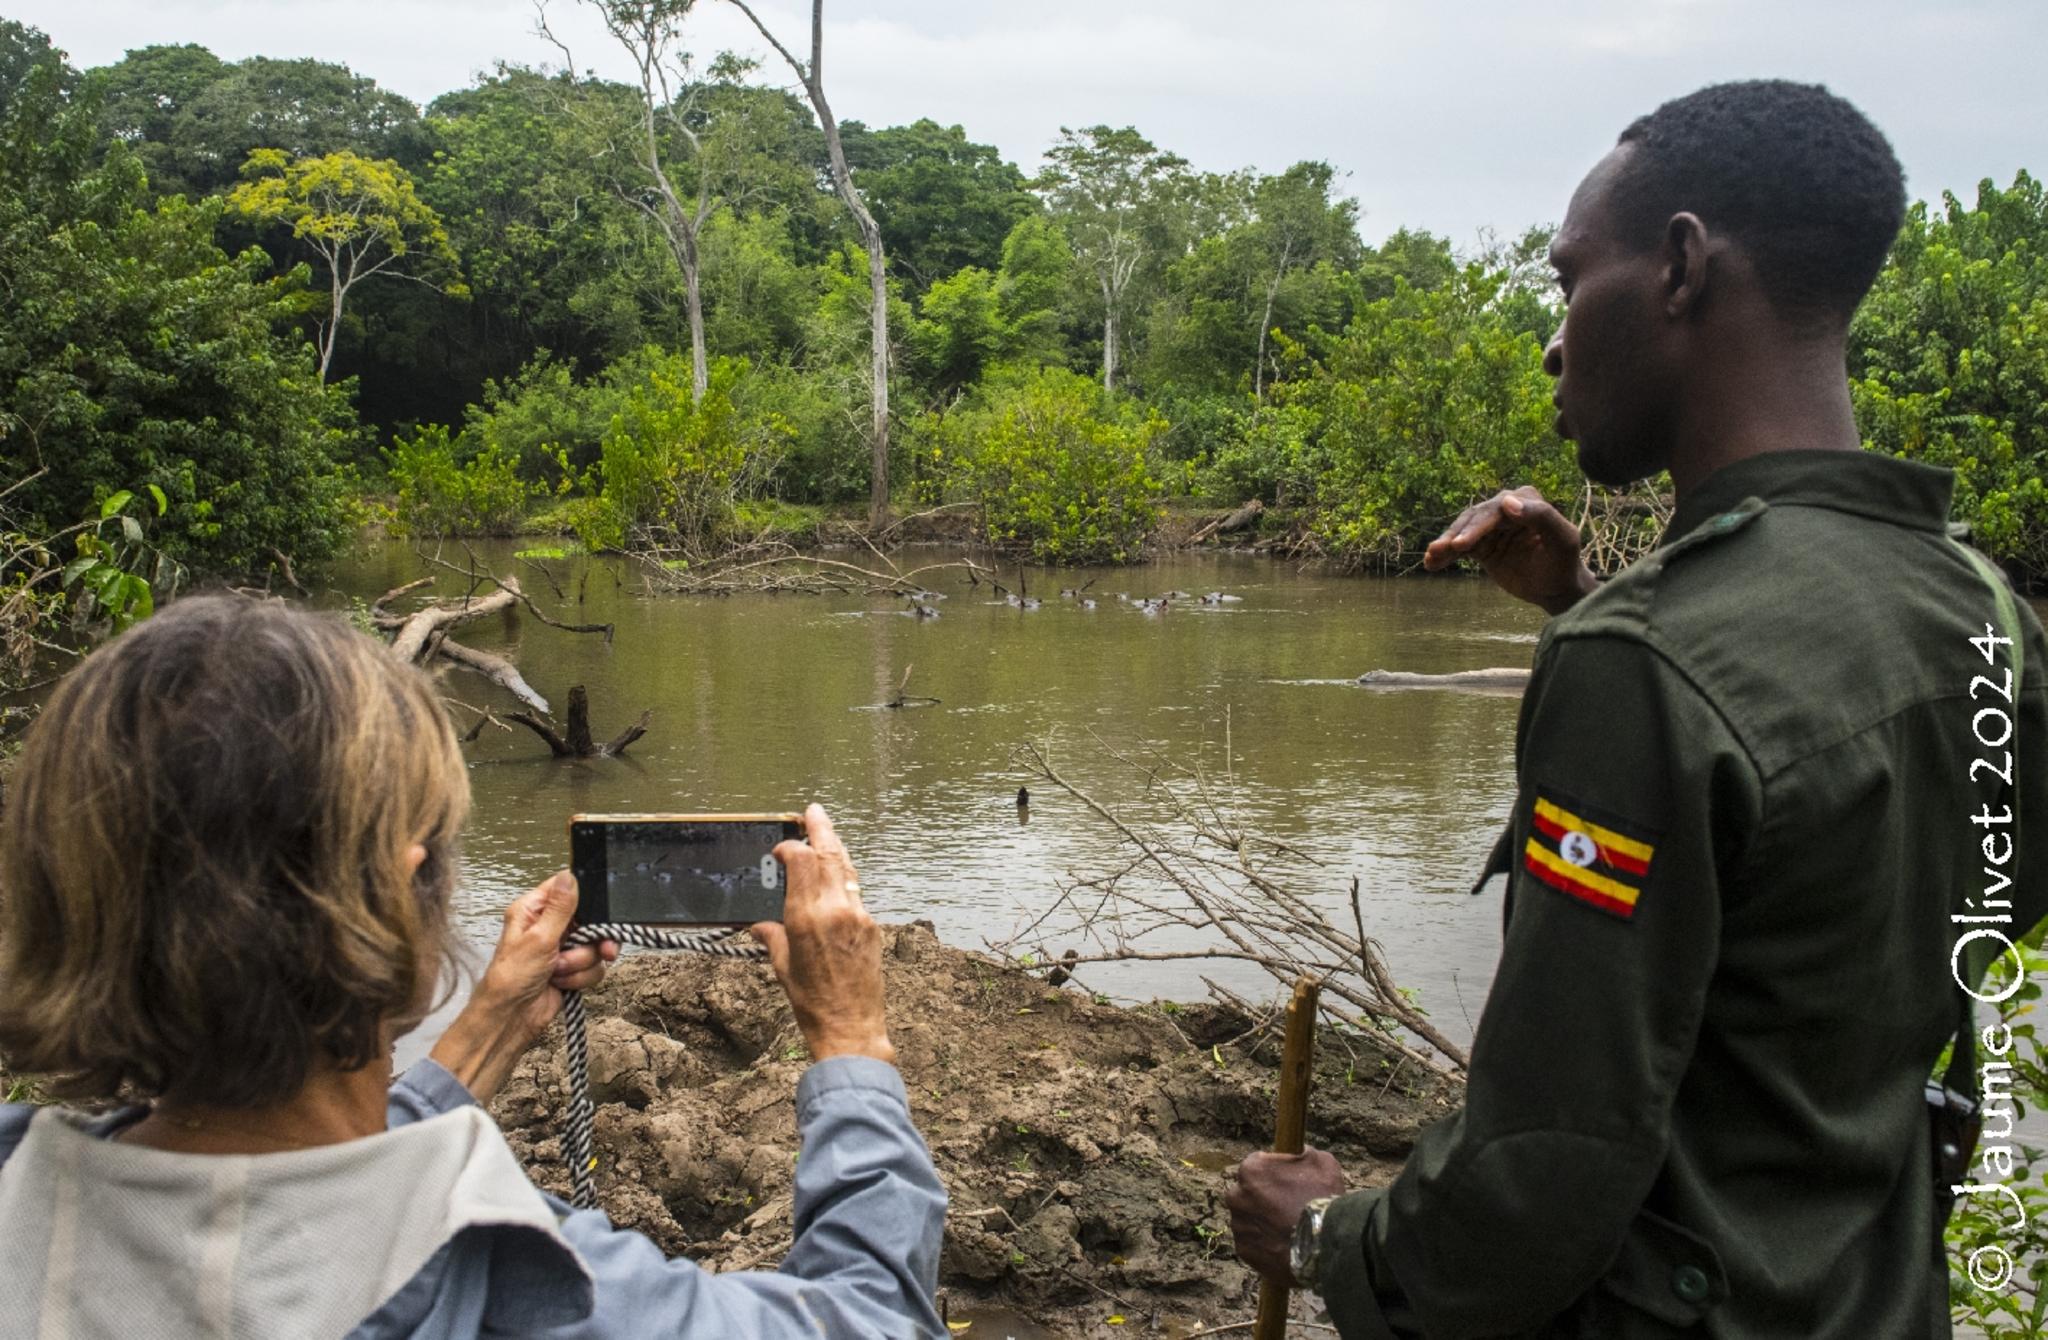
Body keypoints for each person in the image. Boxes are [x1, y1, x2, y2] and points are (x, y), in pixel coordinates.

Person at [1227, 80, 2048, 1337]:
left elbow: (1544, 1168)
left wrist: (1336, 1236)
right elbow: (1869, 896)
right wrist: (1588, 598)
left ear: (1675, 265)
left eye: (1567, 281)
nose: (1555, 340)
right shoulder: (1981, 608)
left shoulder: (1644, 664)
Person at [0, 595, 947, 1338]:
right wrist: (850, 1036)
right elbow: (877, 1321)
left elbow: (279, 1177)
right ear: (397, 899)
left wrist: (492, 1022)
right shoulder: (523, 1282)